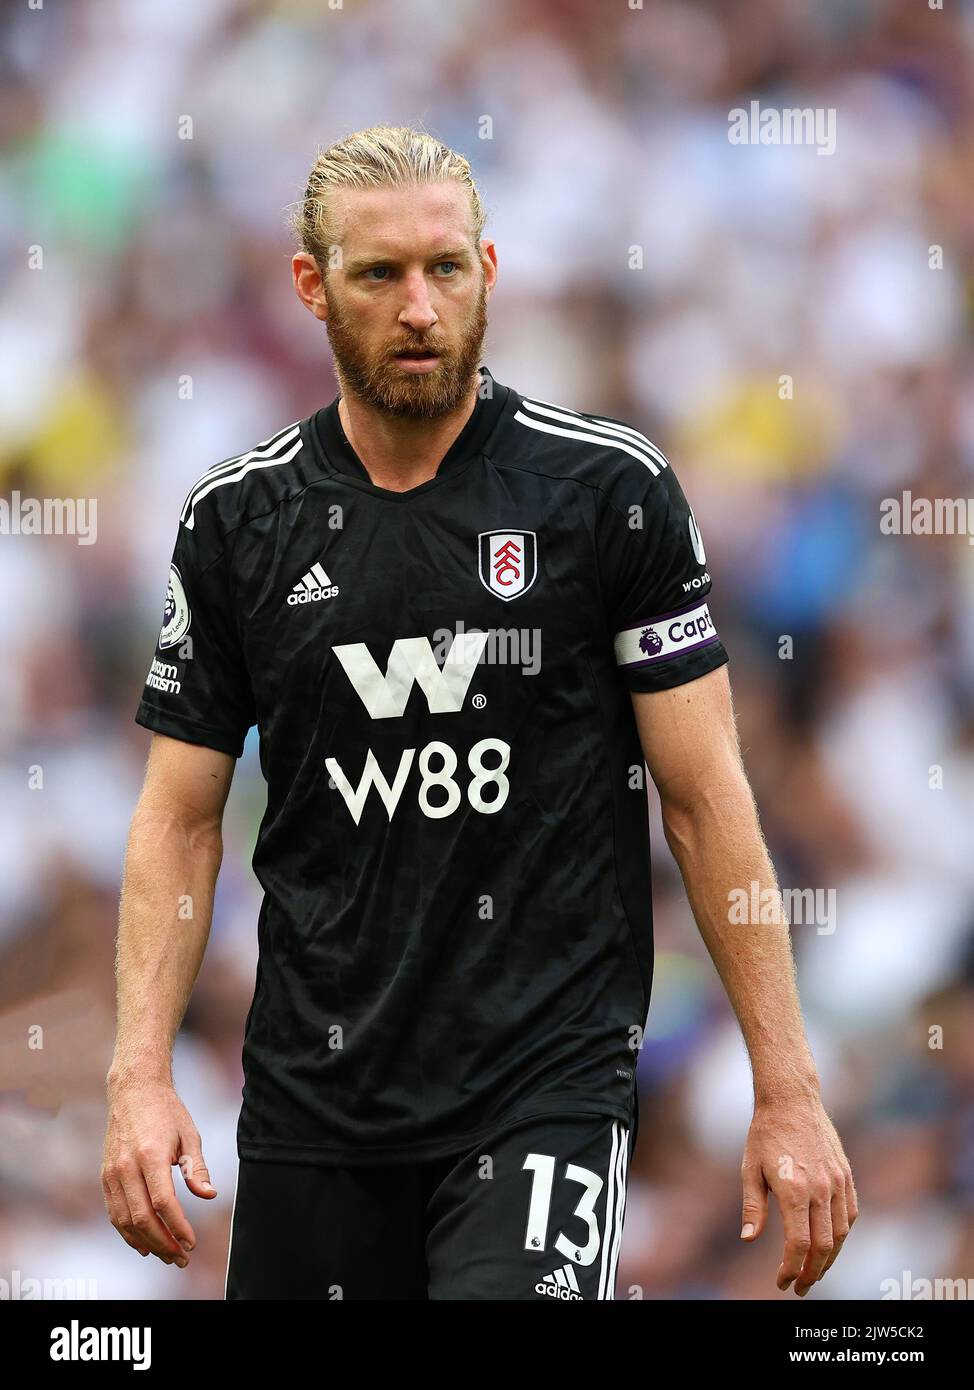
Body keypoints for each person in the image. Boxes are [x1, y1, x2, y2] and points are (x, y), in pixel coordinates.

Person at [102, 125, 856, 1301]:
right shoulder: (236, 523)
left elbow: (705, 801)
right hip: (316, 1098)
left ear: (487, 272)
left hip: (540, 1086)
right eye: (379, 274)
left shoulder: (606, 493)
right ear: (311, 286)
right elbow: (177, 821)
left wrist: (787, 1086)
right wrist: (137, 1076)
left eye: (445, 269)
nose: (418, 306)